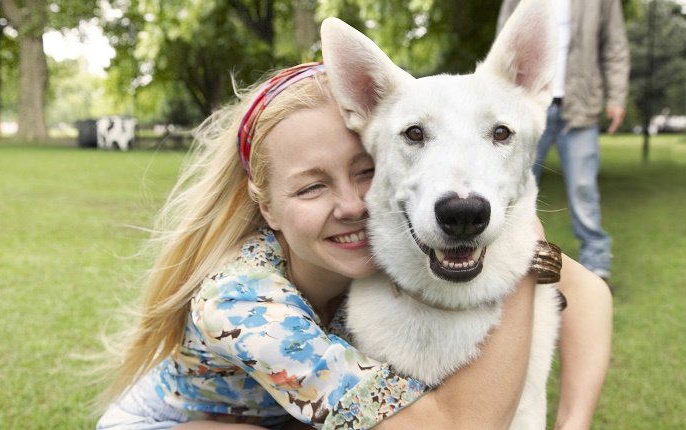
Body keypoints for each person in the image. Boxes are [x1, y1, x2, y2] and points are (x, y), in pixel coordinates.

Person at [95, 63, 612, 430]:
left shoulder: (405, 239)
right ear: (268, 208)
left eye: (367, 173)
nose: (352, 205)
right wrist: (521, 262)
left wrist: (573, 421)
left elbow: (588, 295)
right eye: (311, 187)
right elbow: (460, 425)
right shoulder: (241, 303)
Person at [497, 0, 630, 281]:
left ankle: (596, 264)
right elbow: (504, 42)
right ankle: (506, 259)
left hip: (580, 104)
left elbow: (615, 47)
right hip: (525, 104)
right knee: (511, 188)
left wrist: (617, 97)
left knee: (584, 189)